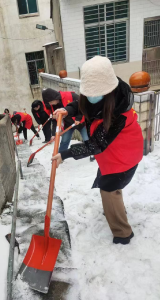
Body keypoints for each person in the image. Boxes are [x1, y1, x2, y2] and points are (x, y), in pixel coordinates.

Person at [52, 56, 143, 245]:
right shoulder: (95, 98)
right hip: (112, 154)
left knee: (109, 188)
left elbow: (95, 144)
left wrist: (66, 154)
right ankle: (116, 209)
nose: (91, 97)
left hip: (125, 157)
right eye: (88, 93)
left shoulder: (120, 113)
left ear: (108, 91)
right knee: (109, 183)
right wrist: (67, 110)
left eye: (96, 94)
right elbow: (80, 102)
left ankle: (123, 233)